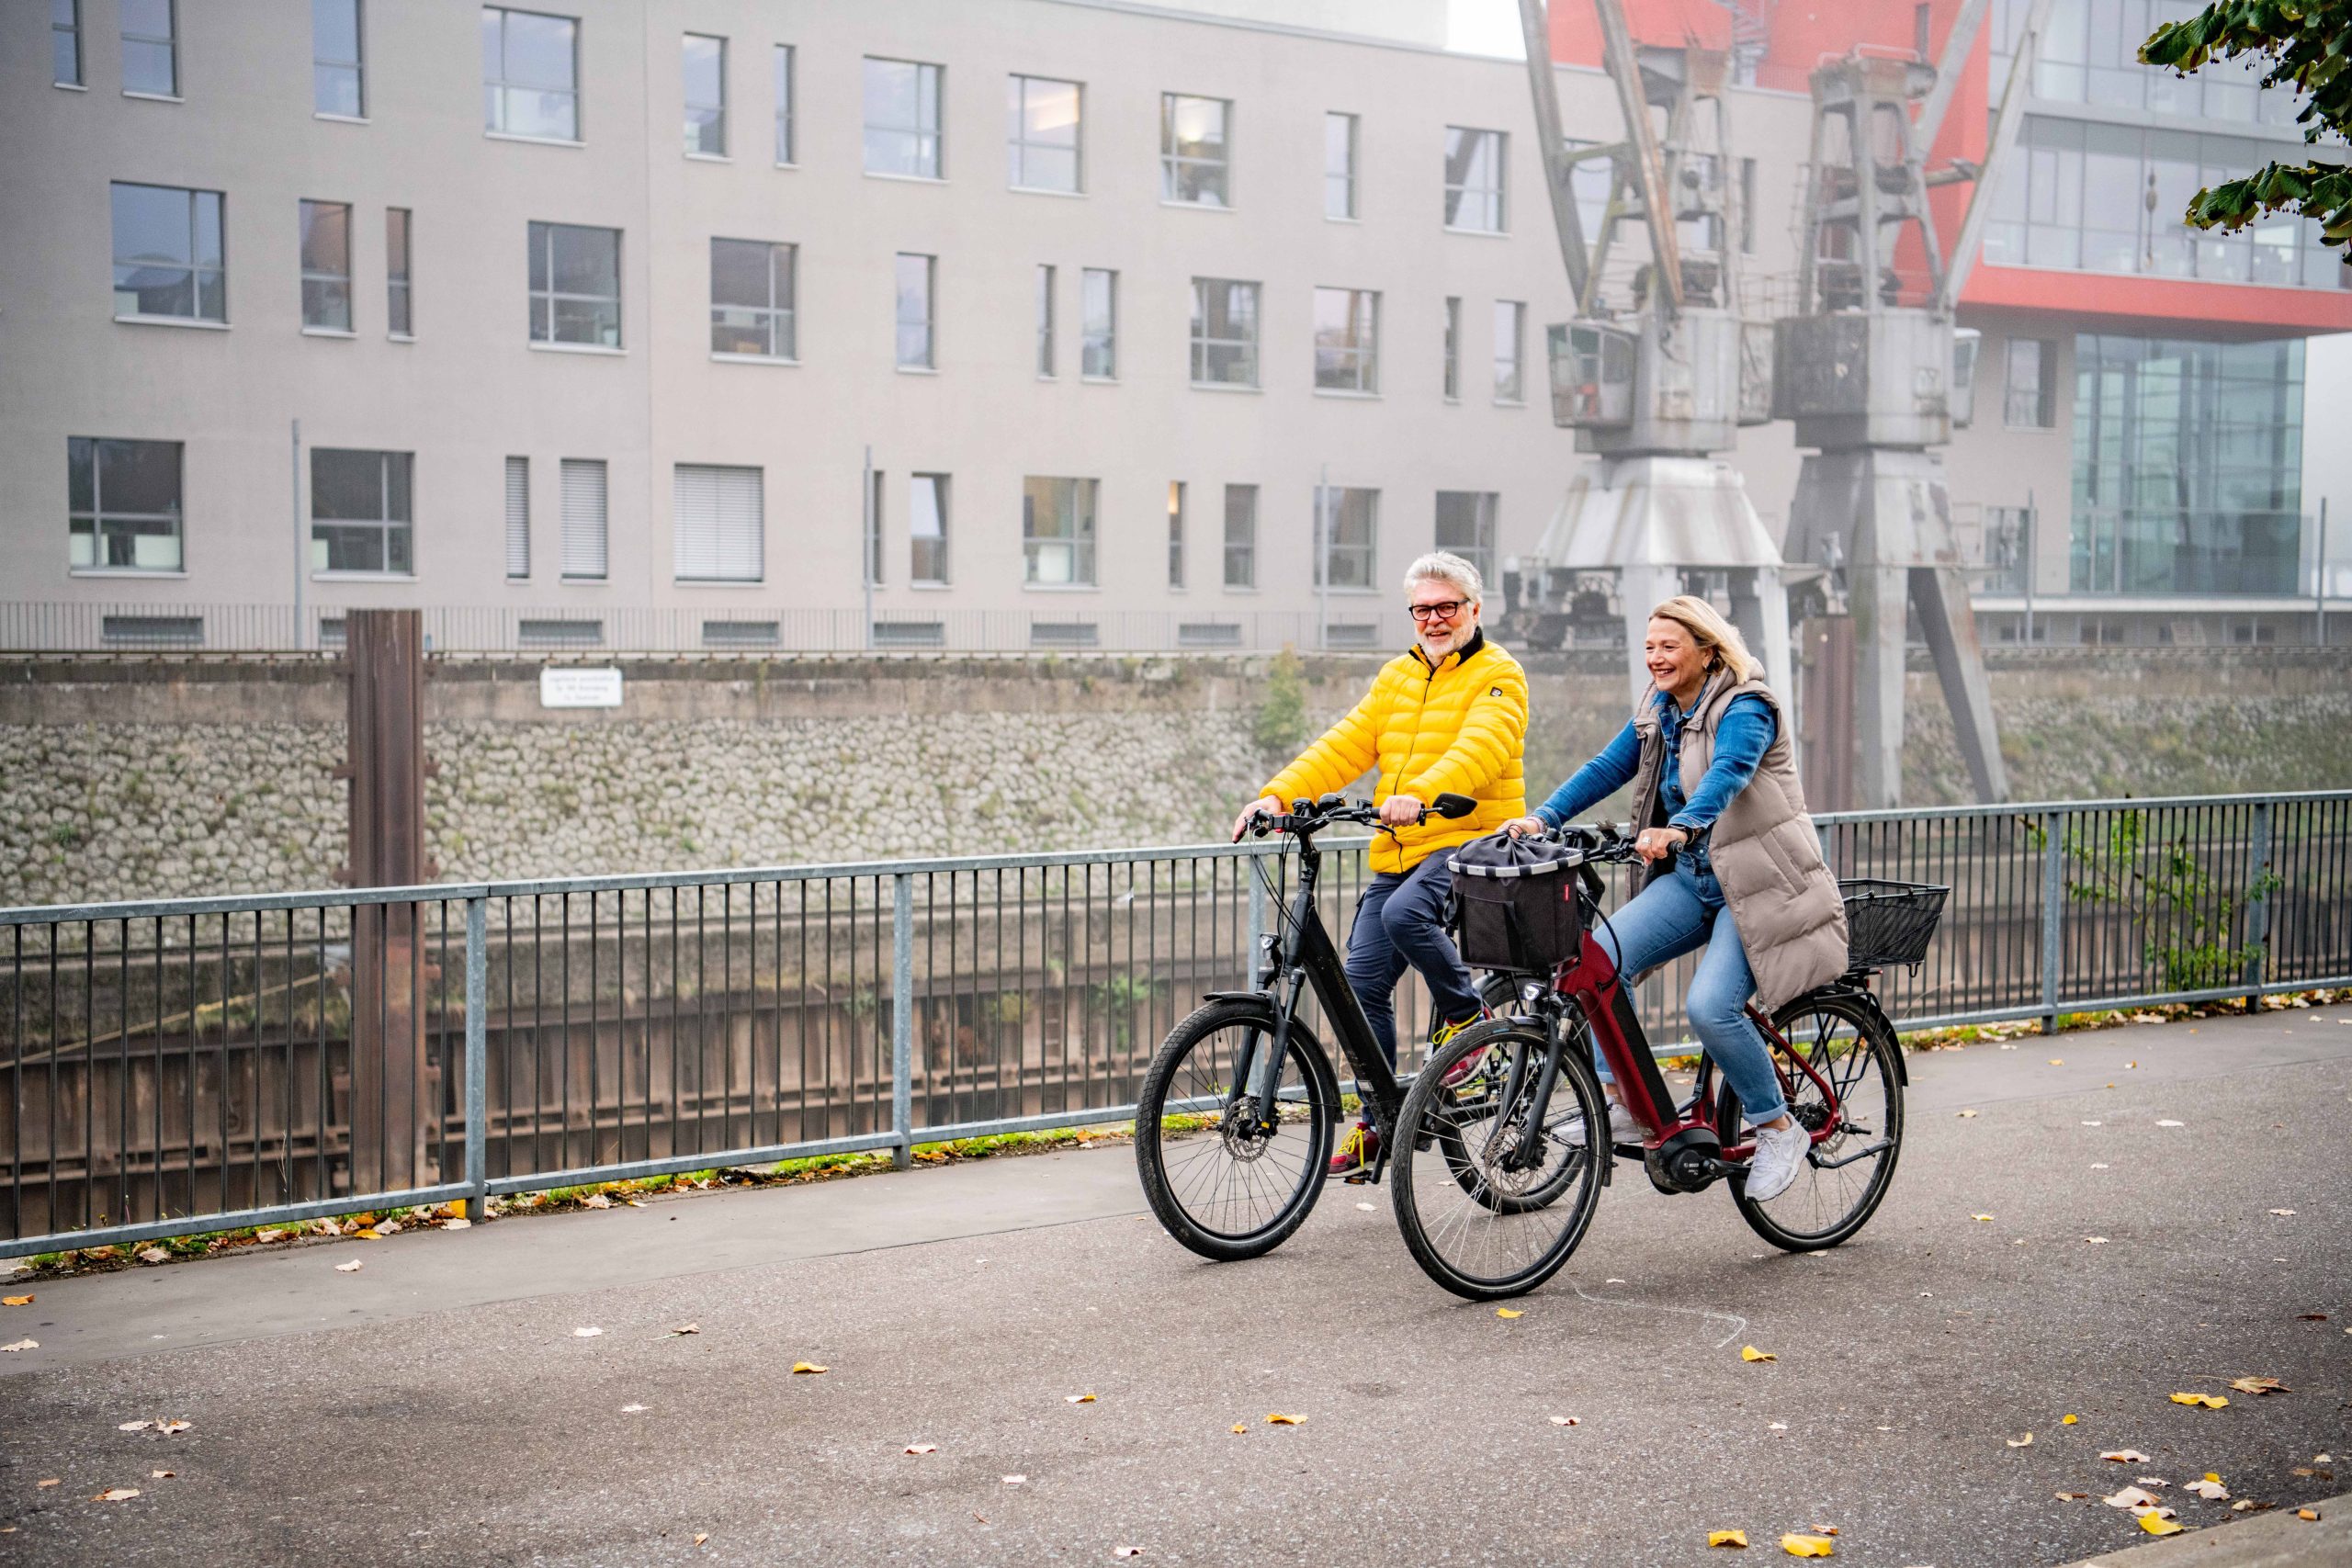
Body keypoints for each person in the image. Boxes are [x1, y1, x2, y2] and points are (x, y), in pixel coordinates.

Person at [1506, 595, 1846, 1202]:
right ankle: (1627, 1104)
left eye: (1668, 646)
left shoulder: (1746, 705)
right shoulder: (1661, 708)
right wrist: (1544, 816)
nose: (1655, 659)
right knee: (1595, 964)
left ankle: (1776, 1126)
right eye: (1648, 648)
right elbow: (1608, 766)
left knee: (1711, 1007)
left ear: (1707, 650)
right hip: (1695, 880)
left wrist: (1681, 826)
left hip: (1759, 885)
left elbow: (1729, 774)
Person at [1235, 552, 1530, 1177]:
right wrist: (1277, 795)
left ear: (1474, 609)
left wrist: (1420, 794)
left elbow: (1482, 748)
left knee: (1405, 914)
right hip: (1400, 849)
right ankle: (1381, 1117)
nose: (1434, 618)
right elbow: (1345, 743)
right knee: (1360, 980)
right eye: (1422, 608)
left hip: (1470, 841)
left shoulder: (1500, 676)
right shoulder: (1396, 676)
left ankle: (1467, 1016)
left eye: (1446, 606)